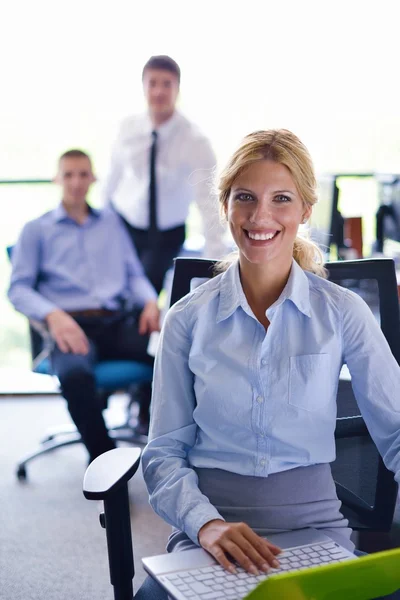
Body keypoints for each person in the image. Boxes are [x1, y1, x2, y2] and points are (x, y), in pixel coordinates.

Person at [139, 130, 400, 599]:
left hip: (317, 529)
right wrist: (206, 524)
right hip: (211, 536)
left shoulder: (342, 312)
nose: (261, 216)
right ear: (225, 207)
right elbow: (163, 453)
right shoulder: (187, 319)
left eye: (281, 198)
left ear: (305, 210)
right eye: (245, 198)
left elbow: (398, 430)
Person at [8, 149, 160, 461]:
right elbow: (18, 289)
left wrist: (148, 301)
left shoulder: (111, 224)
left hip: (117, 322)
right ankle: (106, 462)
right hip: (71, 325)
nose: (76, 182)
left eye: (82, 174)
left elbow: (133, 273)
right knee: (76, 376)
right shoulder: (36, 229)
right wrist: (53, 315)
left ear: (93, 179)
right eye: (69, 174)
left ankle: (171, 449)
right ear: (57, 179)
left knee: (172, 356)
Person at [101, 54, 227, 295]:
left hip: (166, 236)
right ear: (143, 87)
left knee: (144, 295)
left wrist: (212, 265)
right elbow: (111, 180)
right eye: (153, 83)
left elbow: (208, 203)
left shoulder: (196, 141)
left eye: (167, 84)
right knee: (115, 292)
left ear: (177, 89)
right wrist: (101, 228)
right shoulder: (127, 127)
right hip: (124, 225)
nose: (159, 91)